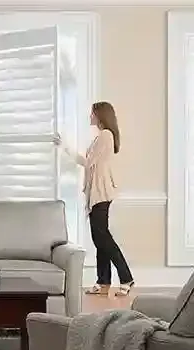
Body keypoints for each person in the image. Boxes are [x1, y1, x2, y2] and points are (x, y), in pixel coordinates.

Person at [52, 101, 135, 297]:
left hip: (101, 193)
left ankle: (126, 277)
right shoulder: (102, 137)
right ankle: (103, 281)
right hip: (97, 193)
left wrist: (66, 147)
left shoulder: (105, 136)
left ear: (100, 115)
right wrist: (64, 147)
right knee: (99, 238)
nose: (90, 116)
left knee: (102, 237)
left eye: (92, 113)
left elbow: (88, 162)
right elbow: (86, 162)